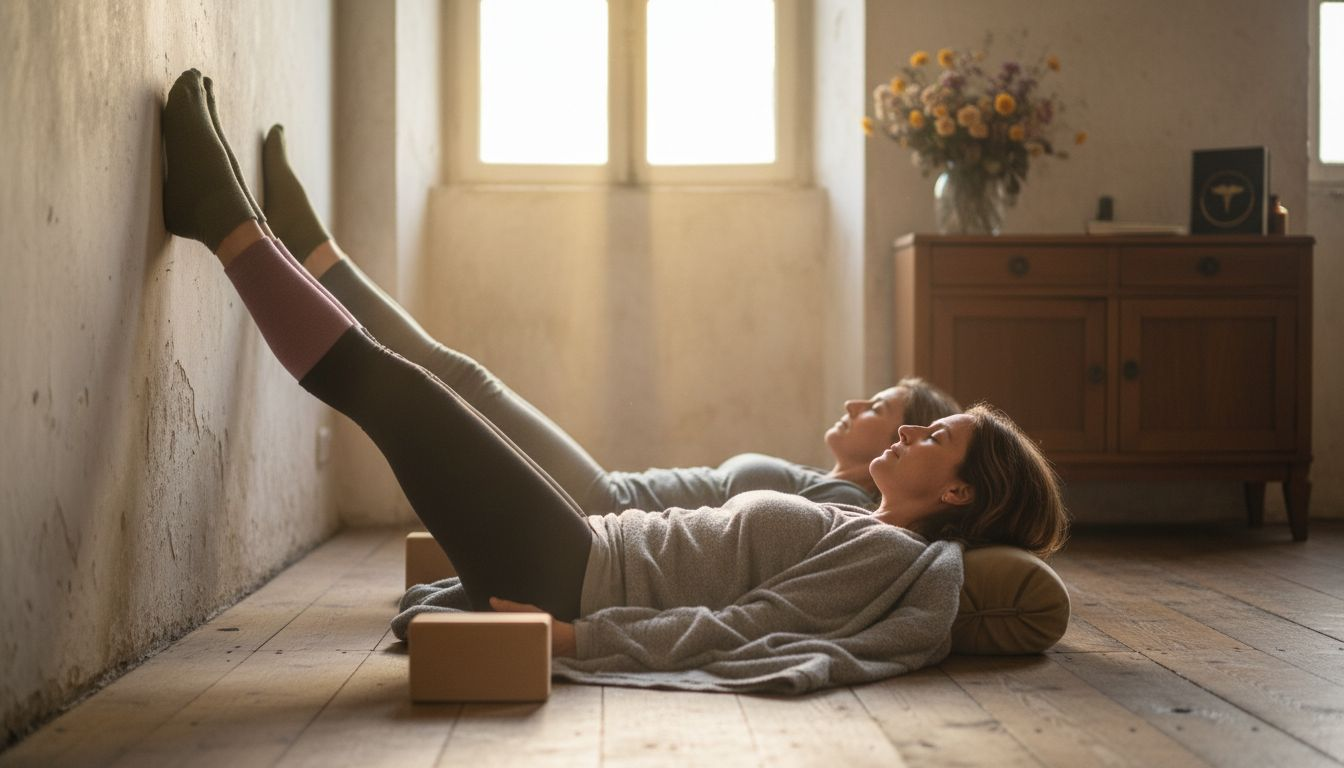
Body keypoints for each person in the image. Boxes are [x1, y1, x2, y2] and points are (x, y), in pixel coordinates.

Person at [161, 70, 1068, 691]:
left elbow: (745, 631)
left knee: (400, 393)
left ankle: (225, 225)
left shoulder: (890, 554)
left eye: (934, 437)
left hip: (575, 574)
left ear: (955, 490)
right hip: (583, 546)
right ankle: (239, 228)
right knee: (410, 390)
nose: (909, 430)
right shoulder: (858, 525)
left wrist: (575, 640)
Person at [253, 119, 960, 513]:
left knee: (450, 382)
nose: (857, 402)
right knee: (446, 383)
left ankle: (309, 255)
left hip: (599, 505)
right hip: (606, 492)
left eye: (883, 406)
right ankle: (311, 255)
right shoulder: (826, 486)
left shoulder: (842, 511)